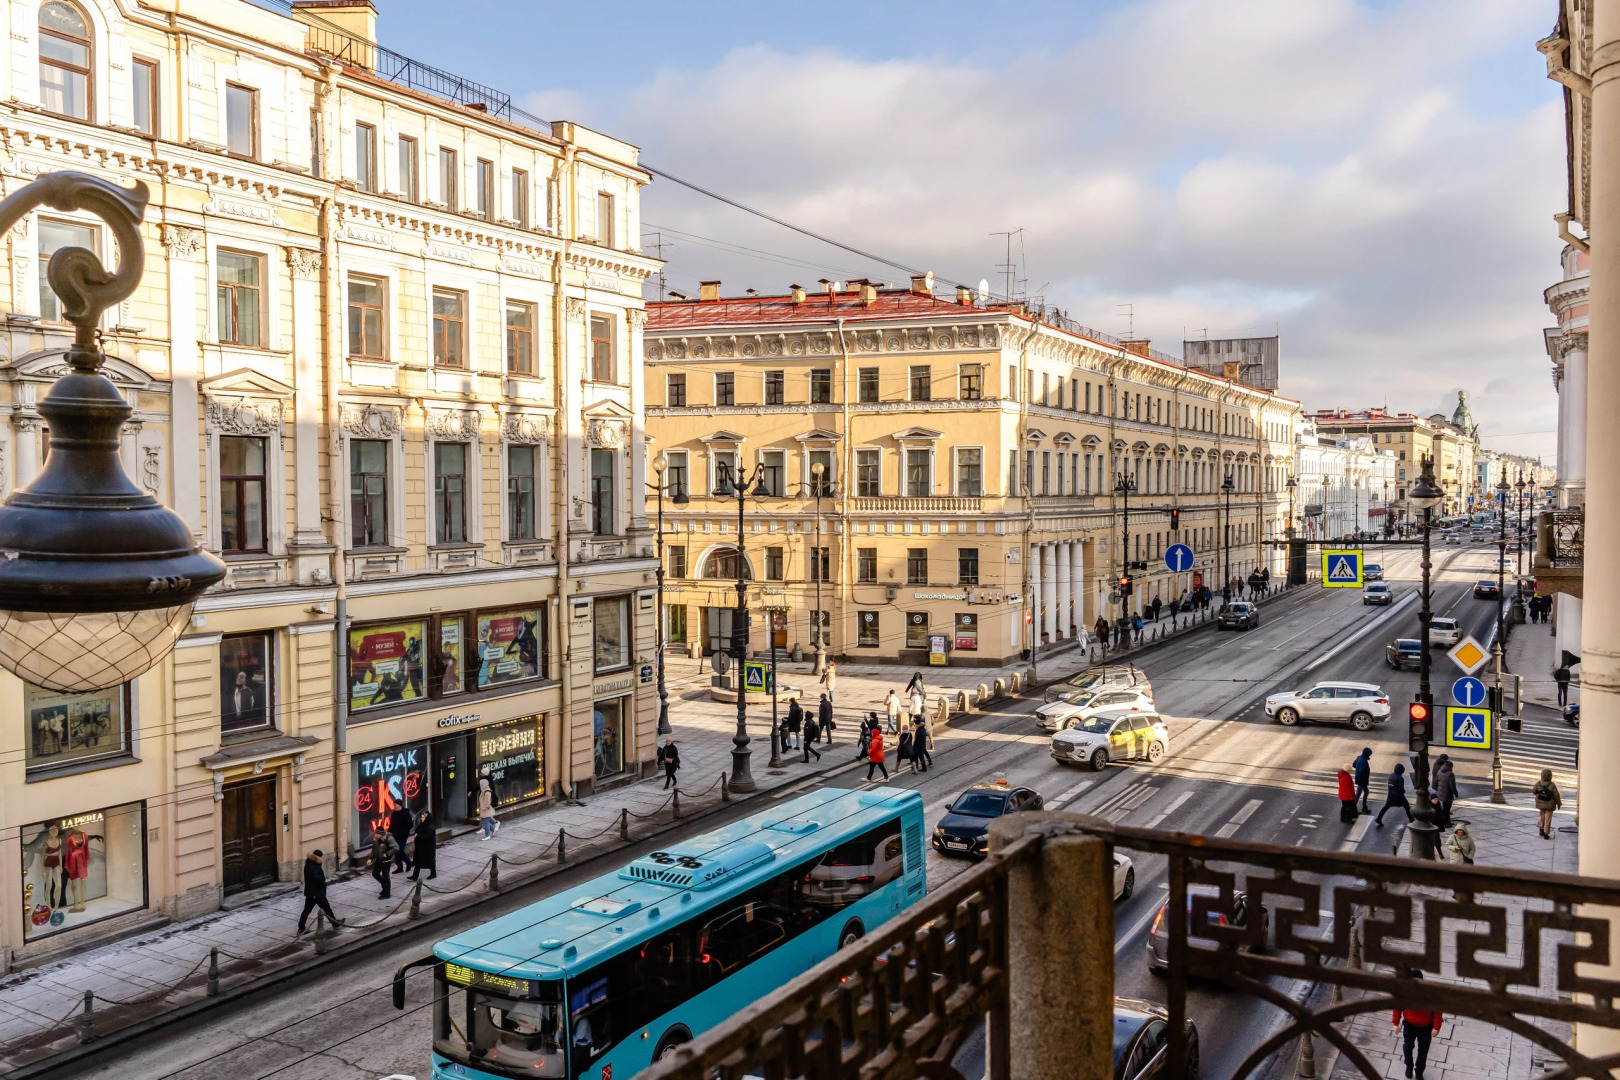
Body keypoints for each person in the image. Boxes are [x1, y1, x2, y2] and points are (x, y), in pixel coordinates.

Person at [1392, 983, 1443, 1080]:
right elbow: (1397, 1007)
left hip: (1426, 1028)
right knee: (1407, 1046)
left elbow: (1437, 1010)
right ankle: (1409, 1065)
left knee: (1423, 1051)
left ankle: (1419, 1070)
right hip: (1409, 1025)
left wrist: (1436, 1027)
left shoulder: (1430, 996)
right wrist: (1395, 1023)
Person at [297, 849, 342, 934]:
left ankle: (301, 927)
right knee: (327, 909)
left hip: (310, 893)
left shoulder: (308, 863)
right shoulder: (315, 867)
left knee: (306, 910)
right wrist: (324, 884)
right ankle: (335, 923)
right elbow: (318, 880)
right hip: (317, 893)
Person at [369, 826, 398, 900]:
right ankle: (384, 886)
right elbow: (374, 849)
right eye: (375, 833)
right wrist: (370, 858)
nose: (375, 835)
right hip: (379, 859)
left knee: (385, 876)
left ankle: (386, 893)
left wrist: (387, 854)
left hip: (386, 861)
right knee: (375, 873)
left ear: (381, 834)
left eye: (377, 834)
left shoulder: (388, 838)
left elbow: (396, 847)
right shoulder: (376, 839)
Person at [1533, 767, 1562, 839]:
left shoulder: (1538, 783)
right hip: (1550, 805)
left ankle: (1541, 829)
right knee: (1548, 819)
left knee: (1542, 816)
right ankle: (1546, 833)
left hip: (1540, 804)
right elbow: (1556, 795)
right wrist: (1559, 803)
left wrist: (1538, 794)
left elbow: (1534, 791)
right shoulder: (1552, 785)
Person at [409, 810, 437, 881]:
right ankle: (415, 876)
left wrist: (418, 836)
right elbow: (417, 830)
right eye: (421, 817)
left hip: (427, 847)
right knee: (418, 861)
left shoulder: (430, 826)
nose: (421, 819)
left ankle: (433, 873)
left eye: (423, 817)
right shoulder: (422, 824)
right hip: (420, 846)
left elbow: (429, 835)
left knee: (430, 861)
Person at [388, 804, 414, 875]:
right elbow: (392, 825)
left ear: (400, 806)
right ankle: (400, 867)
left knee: (400, 850)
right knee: (396, 851)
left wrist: (404, 830)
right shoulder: (394, 814)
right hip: (395, 836)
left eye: (396, 805)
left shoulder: (405, 813)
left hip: (403, 836)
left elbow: (410, 824)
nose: (395, 806)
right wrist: (388, 832)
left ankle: (408, 862)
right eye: (394, 805)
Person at [1433, 756, 1458, 830]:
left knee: (1444, 808)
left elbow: (1436, 781)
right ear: (1450, 766)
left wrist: (1437, 789)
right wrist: (1455, 793)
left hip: (1440, 792)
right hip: (1447, 794)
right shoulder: (1450, 774)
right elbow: (1452, 786)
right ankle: (1446, 822)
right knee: (1447, 809)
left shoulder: (1440, 771)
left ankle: (1445, 821)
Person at [1353, 747, 1374, 814]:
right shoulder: (1364, 761)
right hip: (1362, 780)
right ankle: (1353, 808)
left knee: (1366, 792)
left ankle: (1363, 807)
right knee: (1358, 794)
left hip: (1359, 779)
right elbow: (1363, 770)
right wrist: (1366, 771)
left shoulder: (1359, 757)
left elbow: (1354, 765)